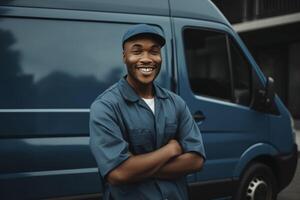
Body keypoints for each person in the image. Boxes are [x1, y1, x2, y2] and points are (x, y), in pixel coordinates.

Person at [89, 24, 206, 200]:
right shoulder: (106, 106)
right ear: (124, 56)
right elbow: (118, 173)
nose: (146, 59)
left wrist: (135, 167)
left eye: (154, 51)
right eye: (137, 51)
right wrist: (170, 150)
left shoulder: (176, 103)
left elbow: (196, 160)